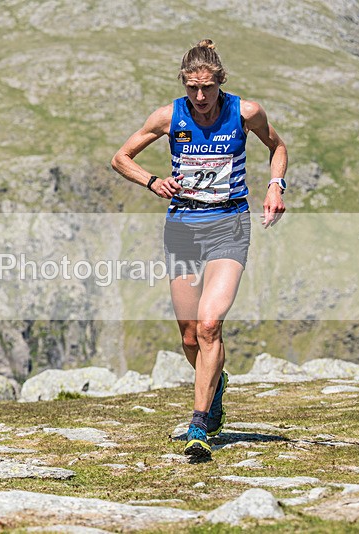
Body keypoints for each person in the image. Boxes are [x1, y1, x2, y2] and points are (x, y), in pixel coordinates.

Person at [111, 40, 287, 460]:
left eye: (207, 87)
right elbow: (120, 157)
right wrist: (152, 181)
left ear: (220, 82)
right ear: (184, 84)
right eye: (192, 88)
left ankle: (199, 423)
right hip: (183, 229)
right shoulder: (169, 115)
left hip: (229, 224)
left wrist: (275, 186)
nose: (201, 97)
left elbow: (277, 147)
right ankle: (216, 382)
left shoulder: (246, 112)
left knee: (209, 325)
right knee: (190, 335)